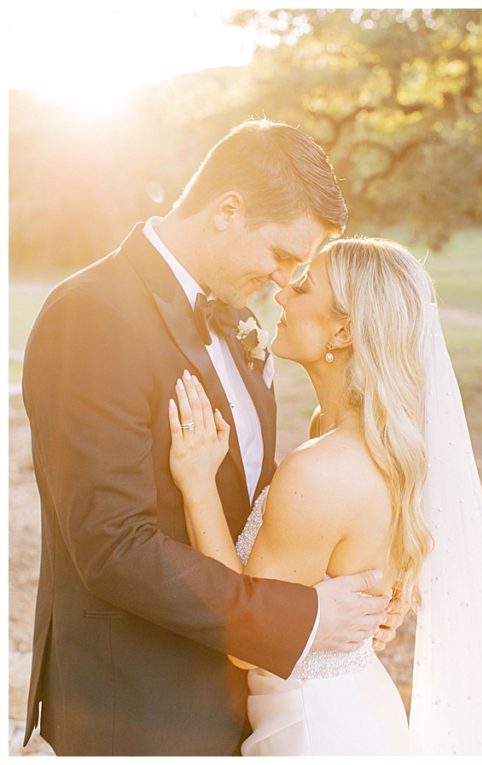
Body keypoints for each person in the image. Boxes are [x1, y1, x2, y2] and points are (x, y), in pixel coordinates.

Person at [21, 121, 405, 755]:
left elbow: (257, 494)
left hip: (247, 695)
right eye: (283, 256)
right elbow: (111, 544)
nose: (287, 282)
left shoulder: (240, 319)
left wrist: (358, 594)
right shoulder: (90, 315)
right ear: (228, 211)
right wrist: (304, 620)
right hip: (144, 701)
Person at [167, 237, 482, 754]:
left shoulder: (321, 471)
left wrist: (197, 486)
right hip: (353, 704)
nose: (281, 295)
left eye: (302, 288)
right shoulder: (363, 436)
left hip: (316, 728)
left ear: (343, 329)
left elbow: (247, 644)